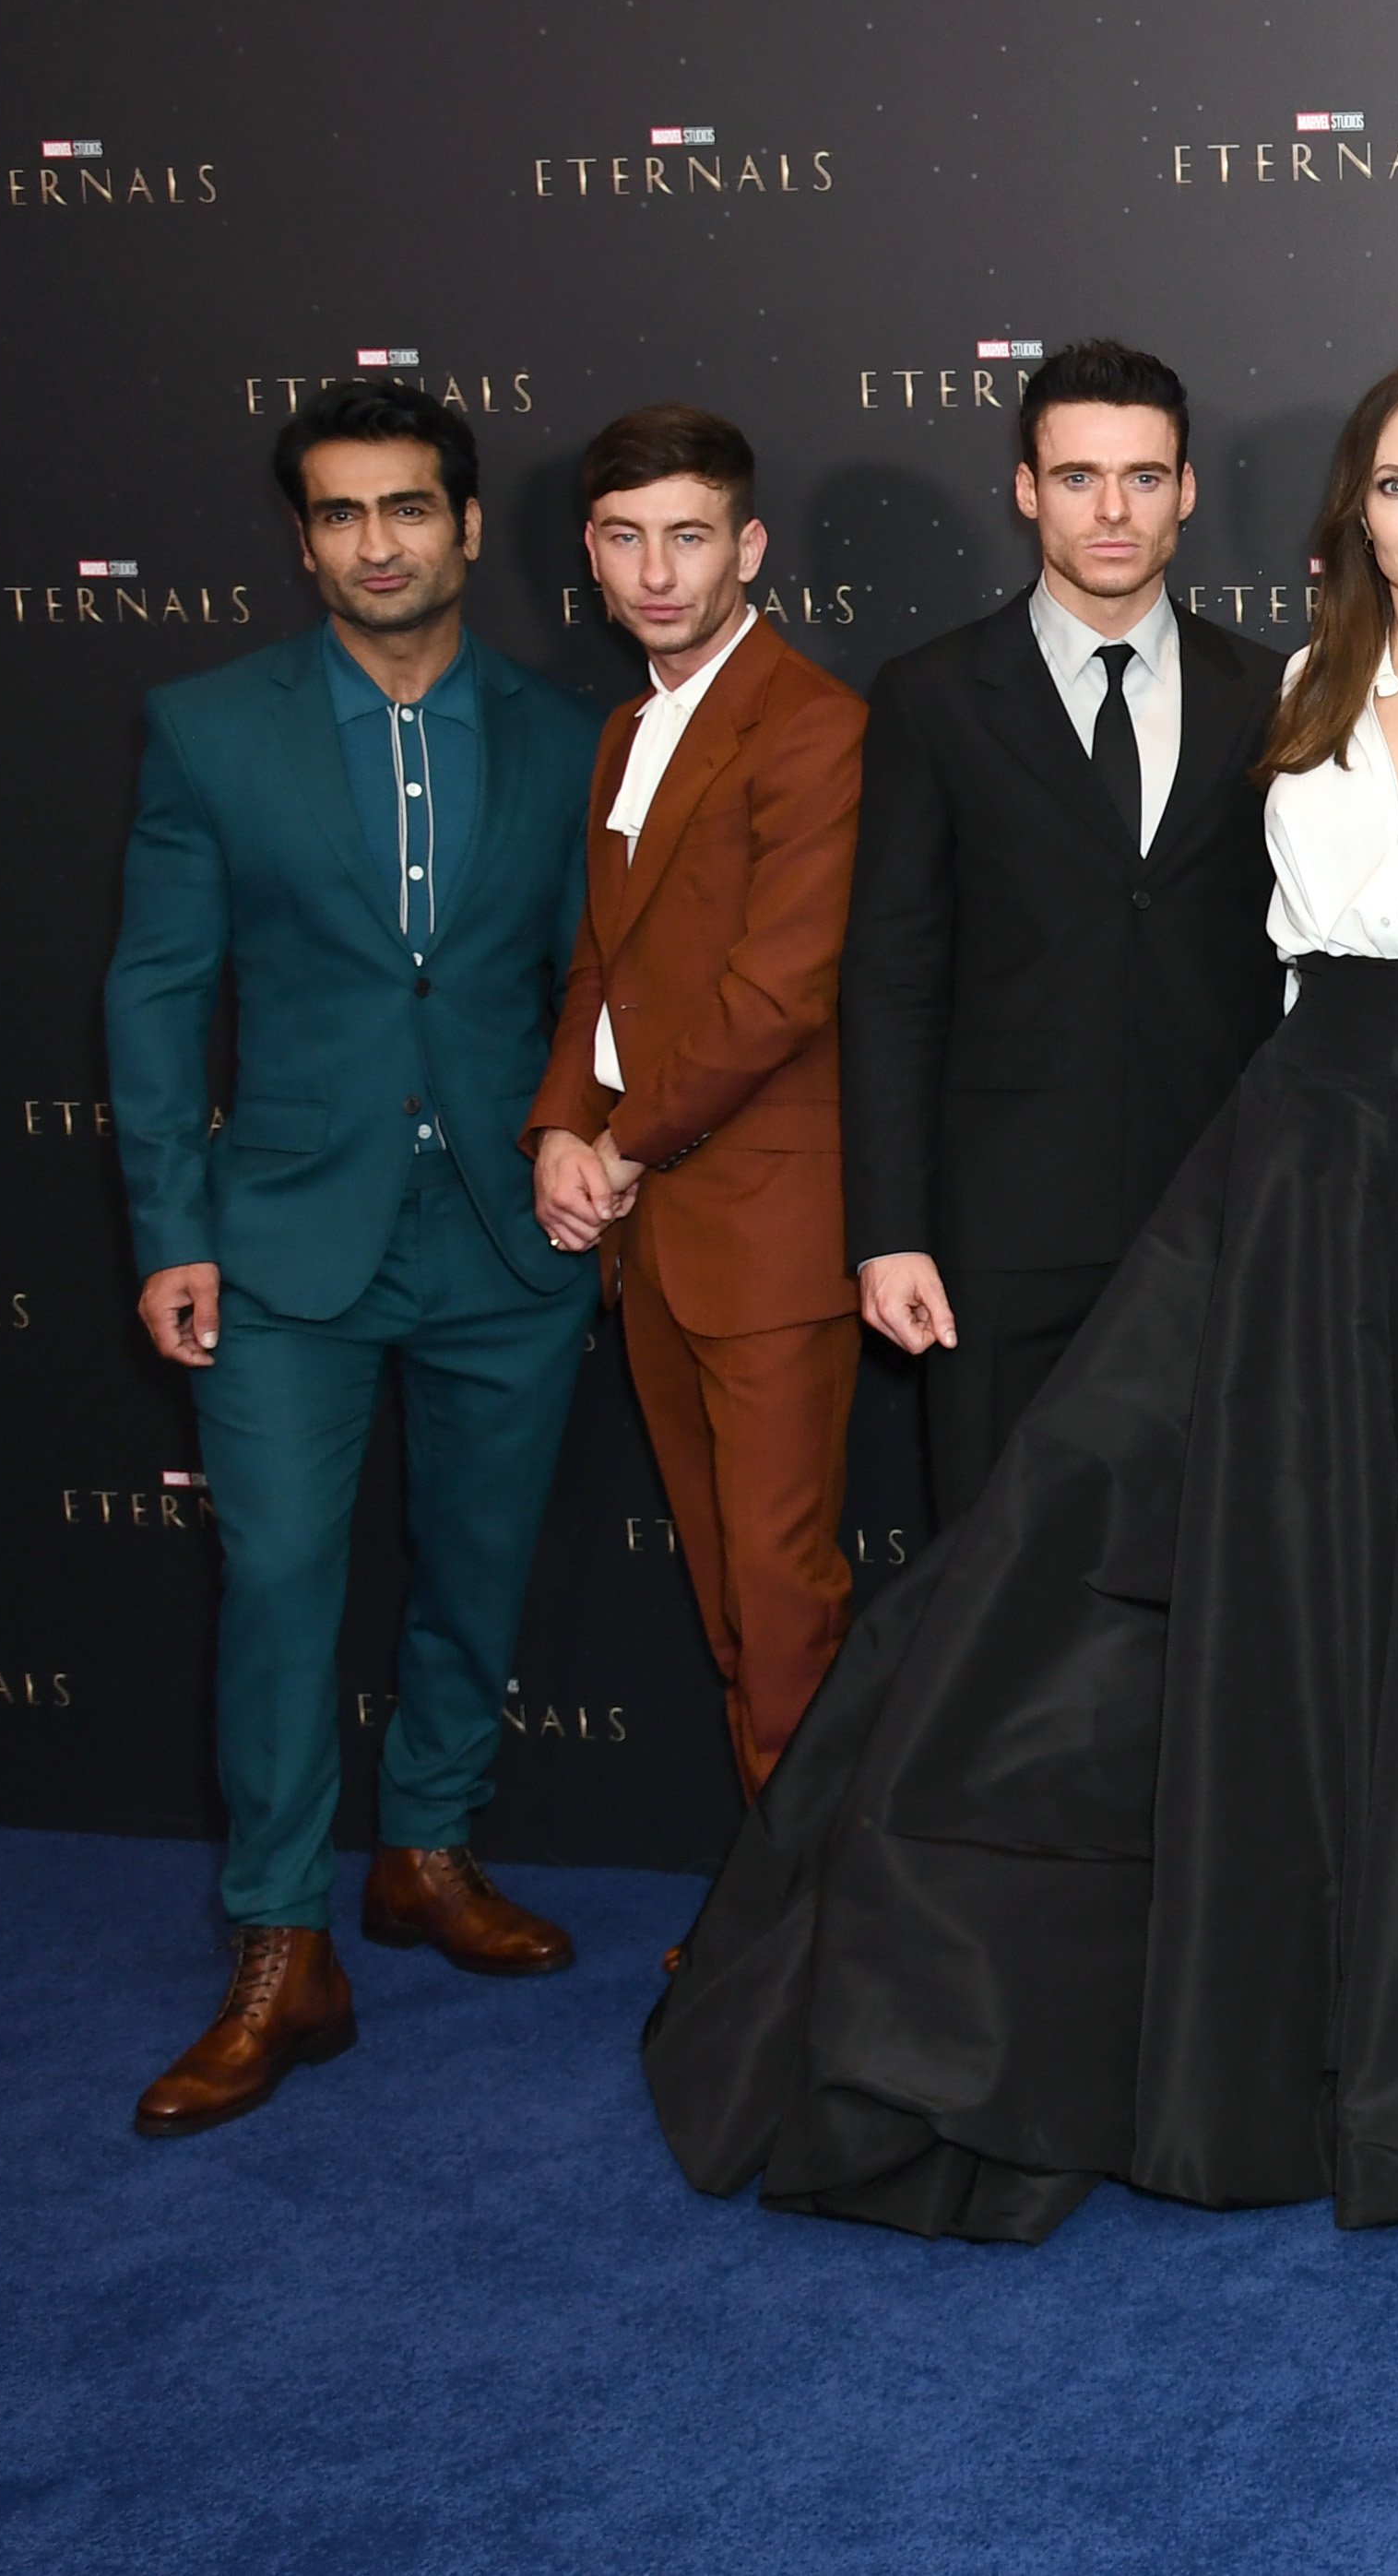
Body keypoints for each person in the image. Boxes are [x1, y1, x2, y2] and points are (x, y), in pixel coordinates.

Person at [646, 361, 1398, 2239]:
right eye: (1394, 486)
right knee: (1192, 1576)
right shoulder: (1300, 691)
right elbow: (1242, 965)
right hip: (1289, 1174)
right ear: (1349, 514)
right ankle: (1119, 1987)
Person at [835, 340, 1398, 1528]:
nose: (1112, 510)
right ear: (1027, 490)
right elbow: (891, 981)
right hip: (1002, 1235)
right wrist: (890, 1233)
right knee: (993, 1573)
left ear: (1185, 492)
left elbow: (1373, 904)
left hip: (1235, 1218)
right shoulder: (931, 695)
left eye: (1143, 477)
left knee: (1211, 1574)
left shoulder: (1285, 694)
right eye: (1078, 477)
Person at [103, 382, 601, 2136]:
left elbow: (593, 982)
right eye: (338, 513)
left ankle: (428, 1851)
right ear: (304, 540)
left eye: (406, 508)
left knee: (477, 1567)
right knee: (279, 1582)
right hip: (283, 1238)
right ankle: (278, 1938)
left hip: (506, 1233)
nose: (375, 543)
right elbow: (158, 989)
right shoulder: (206, 727)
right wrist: (172, 1226)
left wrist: (587, 1145)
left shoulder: (567, 734)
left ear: (465, 525)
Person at [519, 407, 870, 1799]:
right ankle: (779, 1880)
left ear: (750, 546)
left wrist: (615, 1142)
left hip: (768, 1228)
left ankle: (807, 1902)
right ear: (592, 556)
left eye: (689, 536)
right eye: (626, 539)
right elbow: (602, 959)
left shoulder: (815, 723)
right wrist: (561, 1123)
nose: (657, 572)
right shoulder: (626, 728)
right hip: (652, 1228)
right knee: (730, 1593)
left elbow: (779, 994)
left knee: (781, 1597)